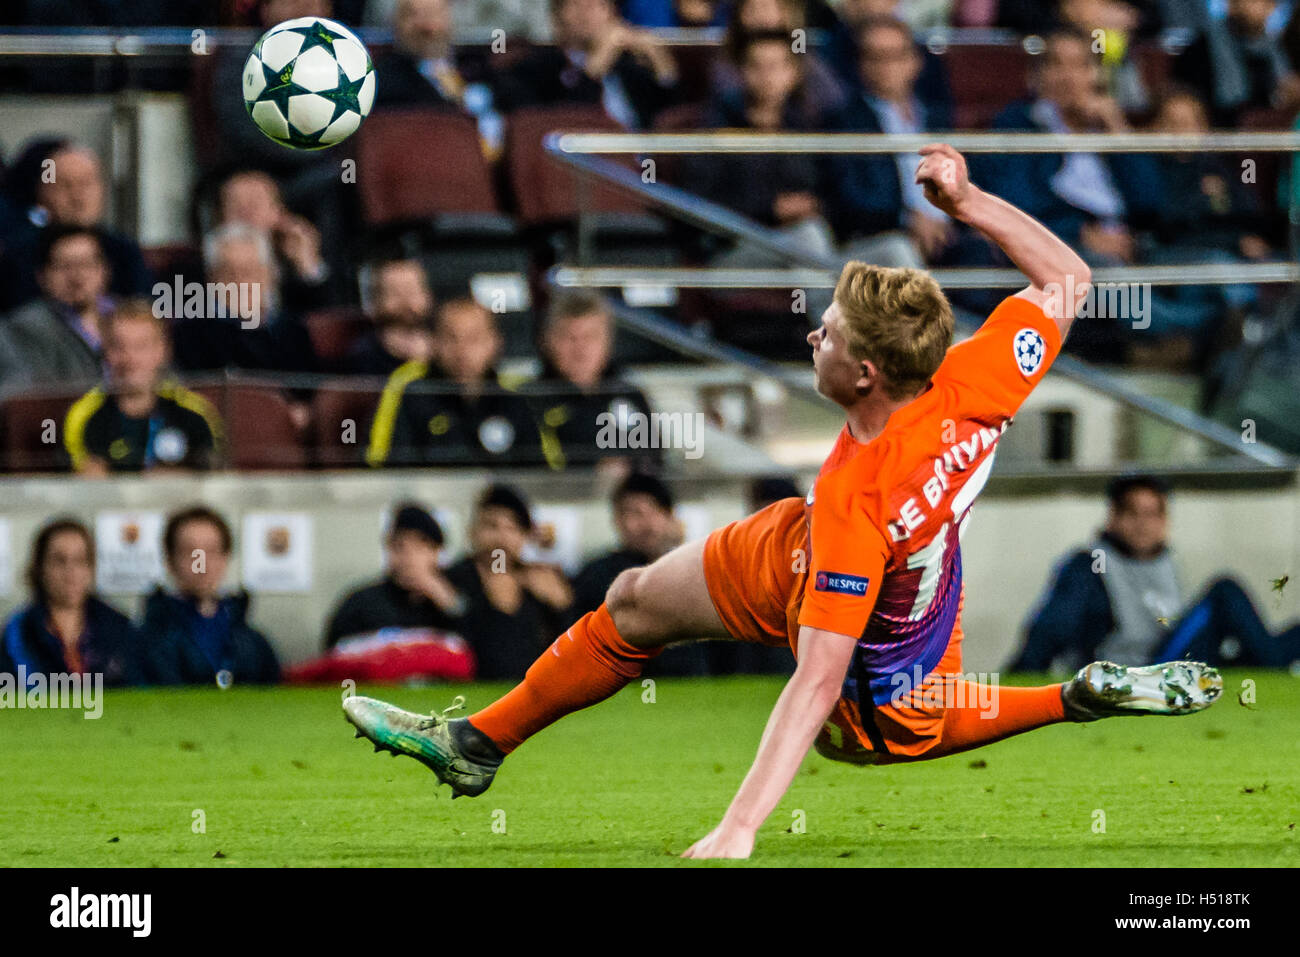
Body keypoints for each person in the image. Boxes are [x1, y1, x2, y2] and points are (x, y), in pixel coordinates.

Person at [344, 141, 1222, 860]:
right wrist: (968, 200)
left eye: (827, 332)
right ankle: (476, 745)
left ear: (865, 372)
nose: (813, 333)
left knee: (871, 733)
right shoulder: (972, 378)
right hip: (870, 561)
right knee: (633, 599)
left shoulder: (858, 496)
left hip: (880, 632)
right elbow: (1069, 278)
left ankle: (1068, 698)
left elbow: (817, 681)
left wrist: (740, 827)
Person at [1010, 474, 1300, 672]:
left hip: (1175, 657)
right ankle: (1274, 664)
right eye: (1133, 514)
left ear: (1164, 521)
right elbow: (1052, 628)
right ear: (1113, 518)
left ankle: (1272, 662)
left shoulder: (1163, 559)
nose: (1143, 525)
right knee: (1225, 593)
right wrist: (1023, 673)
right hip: (1141, 671)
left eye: (1152, 515)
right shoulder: (1089, 565)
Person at [365, 297, 553, 467]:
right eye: (451, 338)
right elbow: (380, 465)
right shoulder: (410, 390)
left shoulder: (515, 395)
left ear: (495, 343)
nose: (462, 352)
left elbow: (545, 473)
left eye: (474, 339)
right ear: (435, 342)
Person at [63, 300, 223, 475]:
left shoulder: (196, 413)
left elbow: (216, 475)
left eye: (141, 347)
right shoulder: (83, 415)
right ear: (104, 351)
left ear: (162, 350)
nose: (130, 359)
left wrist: (177, 478)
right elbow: (79, 481)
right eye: (118, 347)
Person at [0, 139, 152, 311]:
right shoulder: (20, 255)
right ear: (43, 193)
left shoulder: (125, 253)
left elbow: (142, 314)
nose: (78, 197)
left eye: (86, 184)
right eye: (65, 185)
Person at [442, 485, 574, 680]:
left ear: (525, 537)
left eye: (512, 528)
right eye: (491, 526)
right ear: (472, 532)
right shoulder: (453, 580)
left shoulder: (541, 580)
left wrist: (562, 607)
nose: (501, 538)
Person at [140, 506, 281, 686]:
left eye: (211, 551)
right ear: (170, 560)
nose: (201, 565)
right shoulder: (147, 641)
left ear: (225, 558)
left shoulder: (254, 643)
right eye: (190, 553)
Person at [0, 518, 143, 687]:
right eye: (59, 561)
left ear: (91, 567)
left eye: (80, 560)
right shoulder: (18, 633)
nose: (71, 572)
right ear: (40, 568)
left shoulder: (118, 627)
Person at [493, 0, 679, 129]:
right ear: (556, 18)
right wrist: (595, 67)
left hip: (641, 163)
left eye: (599, 4)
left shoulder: (628, 65)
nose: (588, 12)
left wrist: (661, 64)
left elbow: (668, 117)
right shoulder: (533, 69)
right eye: (576, 4)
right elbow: (561, 123)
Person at [525, 289, 656, 472]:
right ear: (546, 341)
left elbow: (654, 462)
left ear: (608, 341)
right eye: (569, 338)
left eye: (591, 336)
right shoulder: (528, 402)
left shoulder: (628, 394)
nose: (581, 350)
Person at [324, 502, 467, 647]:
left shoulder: (453, 604)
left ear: (436, 553)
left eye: (419, 548)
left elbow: (473, 646)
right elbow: (337, 652)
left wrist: (450, 606)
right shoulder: (360, 606)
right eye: (399, 547)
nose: (409, 558)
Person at [0, 225, 114, 391]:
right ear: (42, 276)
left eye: (87, 264)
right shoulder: (23, 328)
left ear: (104, 270)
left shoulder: (129, 315)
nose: (78, 277)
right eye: (65, 266)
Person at [346, 256, 436, 376]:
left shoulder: (443, 345)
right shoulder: (364, 355)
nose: (407, 302)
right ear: (375, 301)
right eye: (395, 294)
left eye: (413, 291)